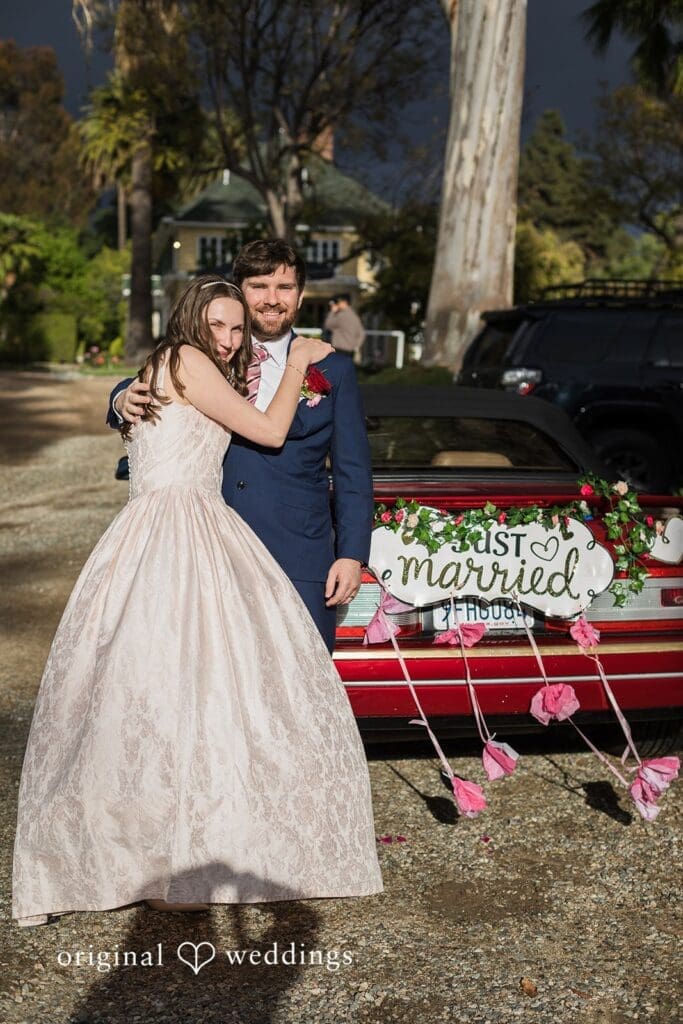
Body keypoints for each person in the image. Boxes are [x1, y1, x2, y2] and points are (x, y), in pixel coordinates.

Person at [12, 276, 383, 927]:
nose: (231, 337)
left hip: (164, 532)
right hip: (178, 534)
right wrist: (297, 363)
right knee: (175, 695)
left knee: (157, 702)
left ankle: (163, 854)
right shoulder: (188, 360)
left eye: (237, 328)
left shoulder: (170, 365)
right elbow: (270, 433)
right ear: (190, 320)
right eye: (219, 324)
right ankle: (165, 858)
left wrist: (126, 391)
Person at [110, 241, 372, 653]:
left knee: (299, 687)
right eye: (259, 286)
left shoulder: (331, 367)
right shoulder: (211, 352)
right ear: (239, 291)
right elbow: (161, 380)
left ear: (300, 296)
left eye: (284, 287)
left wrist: (352, 555)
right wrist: (120, 398)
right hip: (208, 557)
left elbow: (352, 471)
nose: (272, 299)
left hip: (299, 558)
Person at [323, 293, 365, 358]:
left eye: (338, 302)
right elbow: (362, 333)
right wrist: (356, 346)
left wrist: (332, 311)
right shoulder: (355, 316)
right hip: (350, 350)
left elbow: (328, 325)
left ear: (344, 302)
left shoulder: (341, 315)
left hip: (340, 350)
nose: (337, 304)